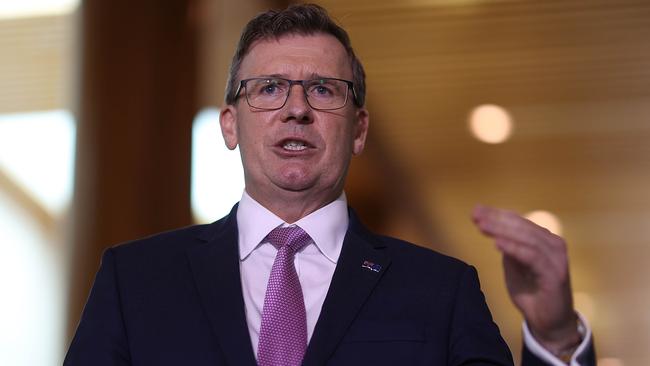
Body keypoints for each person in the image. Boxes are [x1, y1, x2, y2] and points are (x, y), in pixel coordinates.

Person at [65, 4, 595, 366]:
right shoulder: (134, 281)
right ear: (230, 124)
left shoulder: (441, 291)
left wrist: (554, 340)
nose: (296, 109)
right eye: (269, 88)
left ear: (358, 129)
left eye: (322, 89)